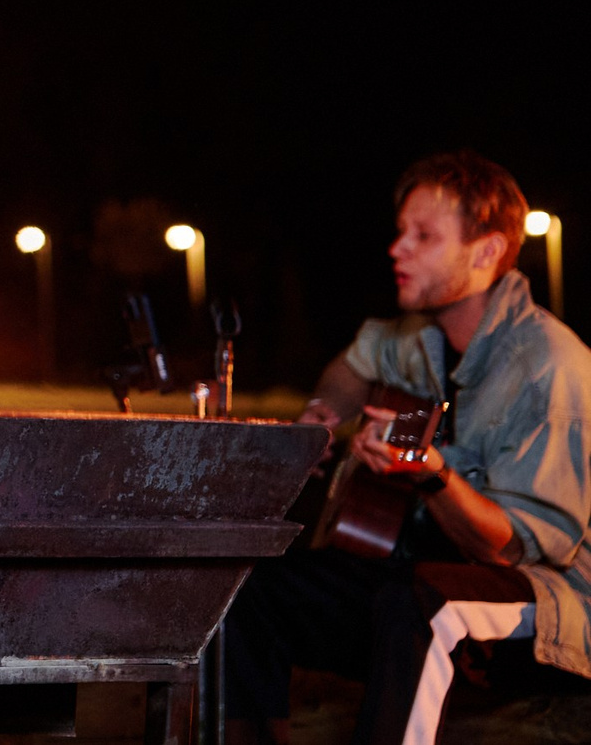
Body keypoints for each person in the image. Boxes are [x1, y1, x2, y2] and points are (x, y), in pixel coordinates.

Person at [224, 151, 591, 745]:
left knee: (418, 600)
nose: (397, 248)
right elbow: (351, 368)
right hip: (429, 578)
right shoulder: (420, 334)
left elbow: (512, 549)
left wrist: (430, 473)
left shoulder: (550, 367)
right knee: (254, 585)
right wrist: (322, 417)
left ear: (487, 252)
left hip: (548, 612)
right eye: (400, 232)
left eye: (423, 236)